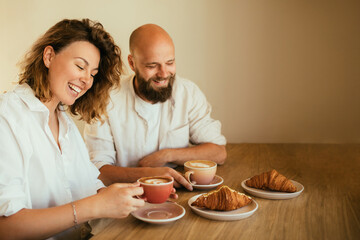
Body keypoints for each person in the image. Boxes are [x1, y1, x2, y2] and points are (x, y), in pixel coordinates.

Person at [0, 19, 145, 240]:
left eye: (93, 74)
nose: (87, 80)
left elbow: (89, 184)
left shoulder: (63, 120)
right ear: (49, 57)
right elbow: (6, 227)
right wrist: (96, 206)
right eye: (80, 66)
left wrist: (128, 196)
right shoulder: (7, 117)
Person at [84, 24, 227, 190]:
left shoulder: (188, 92)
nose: (163, 73)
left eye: (170, 62)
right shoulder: (105, 99)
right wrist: (147, 174)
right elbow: (97, 171)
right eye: (152, 66)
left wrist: (168, 155)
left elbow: (218, 153)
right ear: (132, 63)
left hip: (178, 192)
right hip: (123, 195)